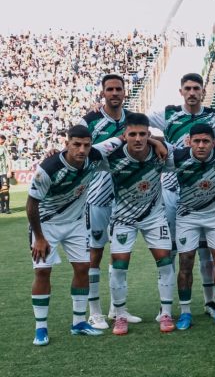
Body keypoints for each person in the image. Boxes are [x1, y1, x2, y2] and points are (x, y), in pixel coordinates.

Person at [148, 73, 215, 318]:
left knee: (206, 252)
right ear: (181, 91)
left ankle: (210, 302)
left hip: (203, 190)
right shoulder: (169, 114)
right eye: (188, 88)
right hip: (172, 191)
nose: (192, 92)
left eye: (196, 88)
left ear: (203, 91)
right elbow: (133, 123)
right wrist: (154, 139)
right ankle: (166, 306)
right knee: (174, 251)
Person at [27, 126, 107, 345]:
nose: (82, 150)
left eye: (86, 145)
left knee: (83, 268)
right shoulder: (49, 168)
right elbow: (31, 204)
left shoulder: (95, 156)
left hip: (76, 224)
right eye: (76, 144)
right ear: (67, 144)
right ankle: (41, 329)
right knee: (42, 271)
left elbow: (122, 139)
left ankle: (79, 323)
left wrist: (155, 141)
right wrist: (39, 237)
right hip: (47, 224)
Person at [98, 113, 175, 335]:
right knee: (119, 265)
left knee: (165, 262)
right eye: (133, 134)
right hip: (123, 218)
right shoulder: (112, 156)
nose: (138, 139)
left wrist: (157, 143)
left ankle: (166, 313)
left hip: (154, 216)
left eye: (143, 134)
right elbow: (90, 152)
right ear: (125, 135)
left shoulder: (160, 153)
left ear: (149, 134)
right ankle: (120, 315)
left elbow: (183, 153)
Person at [78, 74, 138, 329]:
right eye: (110, 89)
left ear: (125, 92)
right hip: (96, 194)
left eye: (118, 89)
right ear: (102, 93)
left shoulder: (133, 119)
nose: (114, 93)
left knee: (120, 253)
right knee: (95, 253)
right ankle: (94, 312)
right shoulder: (90, 120)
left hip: (125, 195)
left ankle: (117, 308)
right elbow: (79, 149)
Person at [170, 124, 215, 329]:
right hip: (187, 217)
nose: (201, 145)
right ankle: (185, 312)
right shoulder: (178, 157)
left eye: (206, 141)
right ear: (189, 141)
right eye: (196, 141)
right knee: (185, 262)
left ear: (214, 142)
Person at [0, 134, 11, 214]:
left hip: (3, 172)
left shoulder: (3, 148)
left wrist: (9, 170)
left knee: (5, 190)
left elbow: (8, 159)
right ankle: (2, 208)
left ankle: (7, 208)